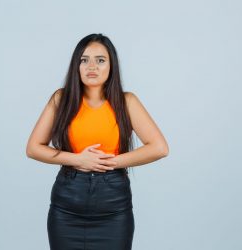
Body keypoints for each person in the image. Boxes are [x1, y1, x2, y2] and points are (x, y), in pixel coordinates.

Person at [26, 33, 169, 250]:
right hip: (67, 208)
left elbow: (159, 148)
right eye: (84, 60)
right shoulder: (60, 99)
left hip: (113, 209)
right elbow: (33, 148)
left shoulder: (126, 102)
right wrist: (78, 160)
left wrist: (109, 163)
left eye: (100, 60)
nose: (91, 66)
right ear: (77, 65)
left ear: (111, 66)